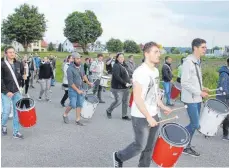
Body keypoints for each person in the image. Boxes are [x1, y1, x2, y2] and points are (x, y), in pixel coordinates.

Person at [112, 42, 172, 167]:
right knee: (140, 146)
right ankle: (118, 156)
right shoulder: (140, 72)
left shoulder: (155, 71)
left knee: (149, 147)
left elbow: (155, 94)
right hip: (140, 116)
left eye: (159, 52)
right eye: (155, 52)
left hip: (154, 114)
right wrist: (148, 117)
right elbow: (138, 98)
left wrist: (162, 106)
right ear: (146, 53)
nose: (159, 54)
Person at [181, 38, 209, 157]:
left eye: (205, 47)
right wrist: (199, 92)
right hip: (191, 99)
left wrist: (202, 88)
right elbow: (184, 82)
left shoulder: (197, 61)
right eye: (203, 47)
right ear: (195, 48)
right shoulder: (188, 62)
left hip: (196, 97)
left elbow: (195, 80)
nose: (205, 49)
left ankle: (186, 146)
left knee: (194, 123)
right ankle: (179, 139)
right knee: (195, 124)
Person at [1, 46, 26, 139]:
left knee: (17, 112)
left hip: (17, 92)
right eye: (10, 52)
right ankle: (3, 125)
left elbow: (22, 75)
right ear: (6, 54)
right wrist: (6, 91)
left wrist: (24, 78)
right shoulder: (2, 64)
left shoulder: (19, 64)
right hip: (6, 93)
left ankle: (16, 132)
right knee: (6, 112)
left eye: (13, 52)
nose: (12, 54)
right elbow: (1, 80)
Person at [62, 52, 93, 126]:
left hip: (80, 88)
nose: (79, 60)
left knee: (79, 104)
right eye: (77, 58)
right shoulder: (70, 69)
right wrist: (77, 90)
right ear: (73, 59)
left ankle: (78, 119)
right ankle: (65, 114)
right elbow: (70, 83)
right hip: (72, 89)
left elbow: (83, 75)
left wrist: (88, 82)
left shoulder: (81, 65)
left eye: (80, 58)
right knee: (73, 104)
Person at [106, 53, 132, 120]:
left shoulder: (124, 65)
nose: (121, 58)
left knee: (125, 101)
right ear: (117, 58)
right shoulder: (116, 65)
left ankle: (124, 115)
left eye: (122, 57)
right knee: (118, 101)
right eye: (120, 57)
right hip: (118, 87)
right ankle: (109, 110)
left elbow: (127, 74)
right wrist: (125, 83)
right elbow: (117, 77)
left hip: (126, 87)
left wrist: (131, 79)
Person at [216, 57, 229, 141]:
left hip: (226, 97)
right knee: (226, 115)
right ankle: (225, 135)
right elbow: (224, 88)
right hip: (224, 97)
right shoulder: (224, 73)